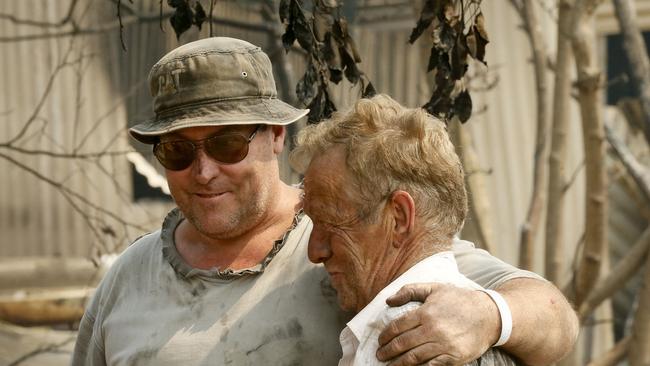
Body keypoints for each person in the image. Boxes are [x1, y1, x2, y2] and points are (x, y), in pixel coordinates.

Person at [72, 37, 578, 366]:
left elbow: (553, 317)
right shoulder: (129, 276)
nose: (203, 171)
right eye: (178, 151)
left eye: (227, 144)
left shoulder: (357, 237)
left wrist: (489, 315)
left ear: (274, 136)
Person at [291, 94, 518, 365]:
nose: (315, 251)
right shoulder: (486, 332)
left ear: (398, 217)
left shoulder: (405, 335)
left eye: (331, 222)